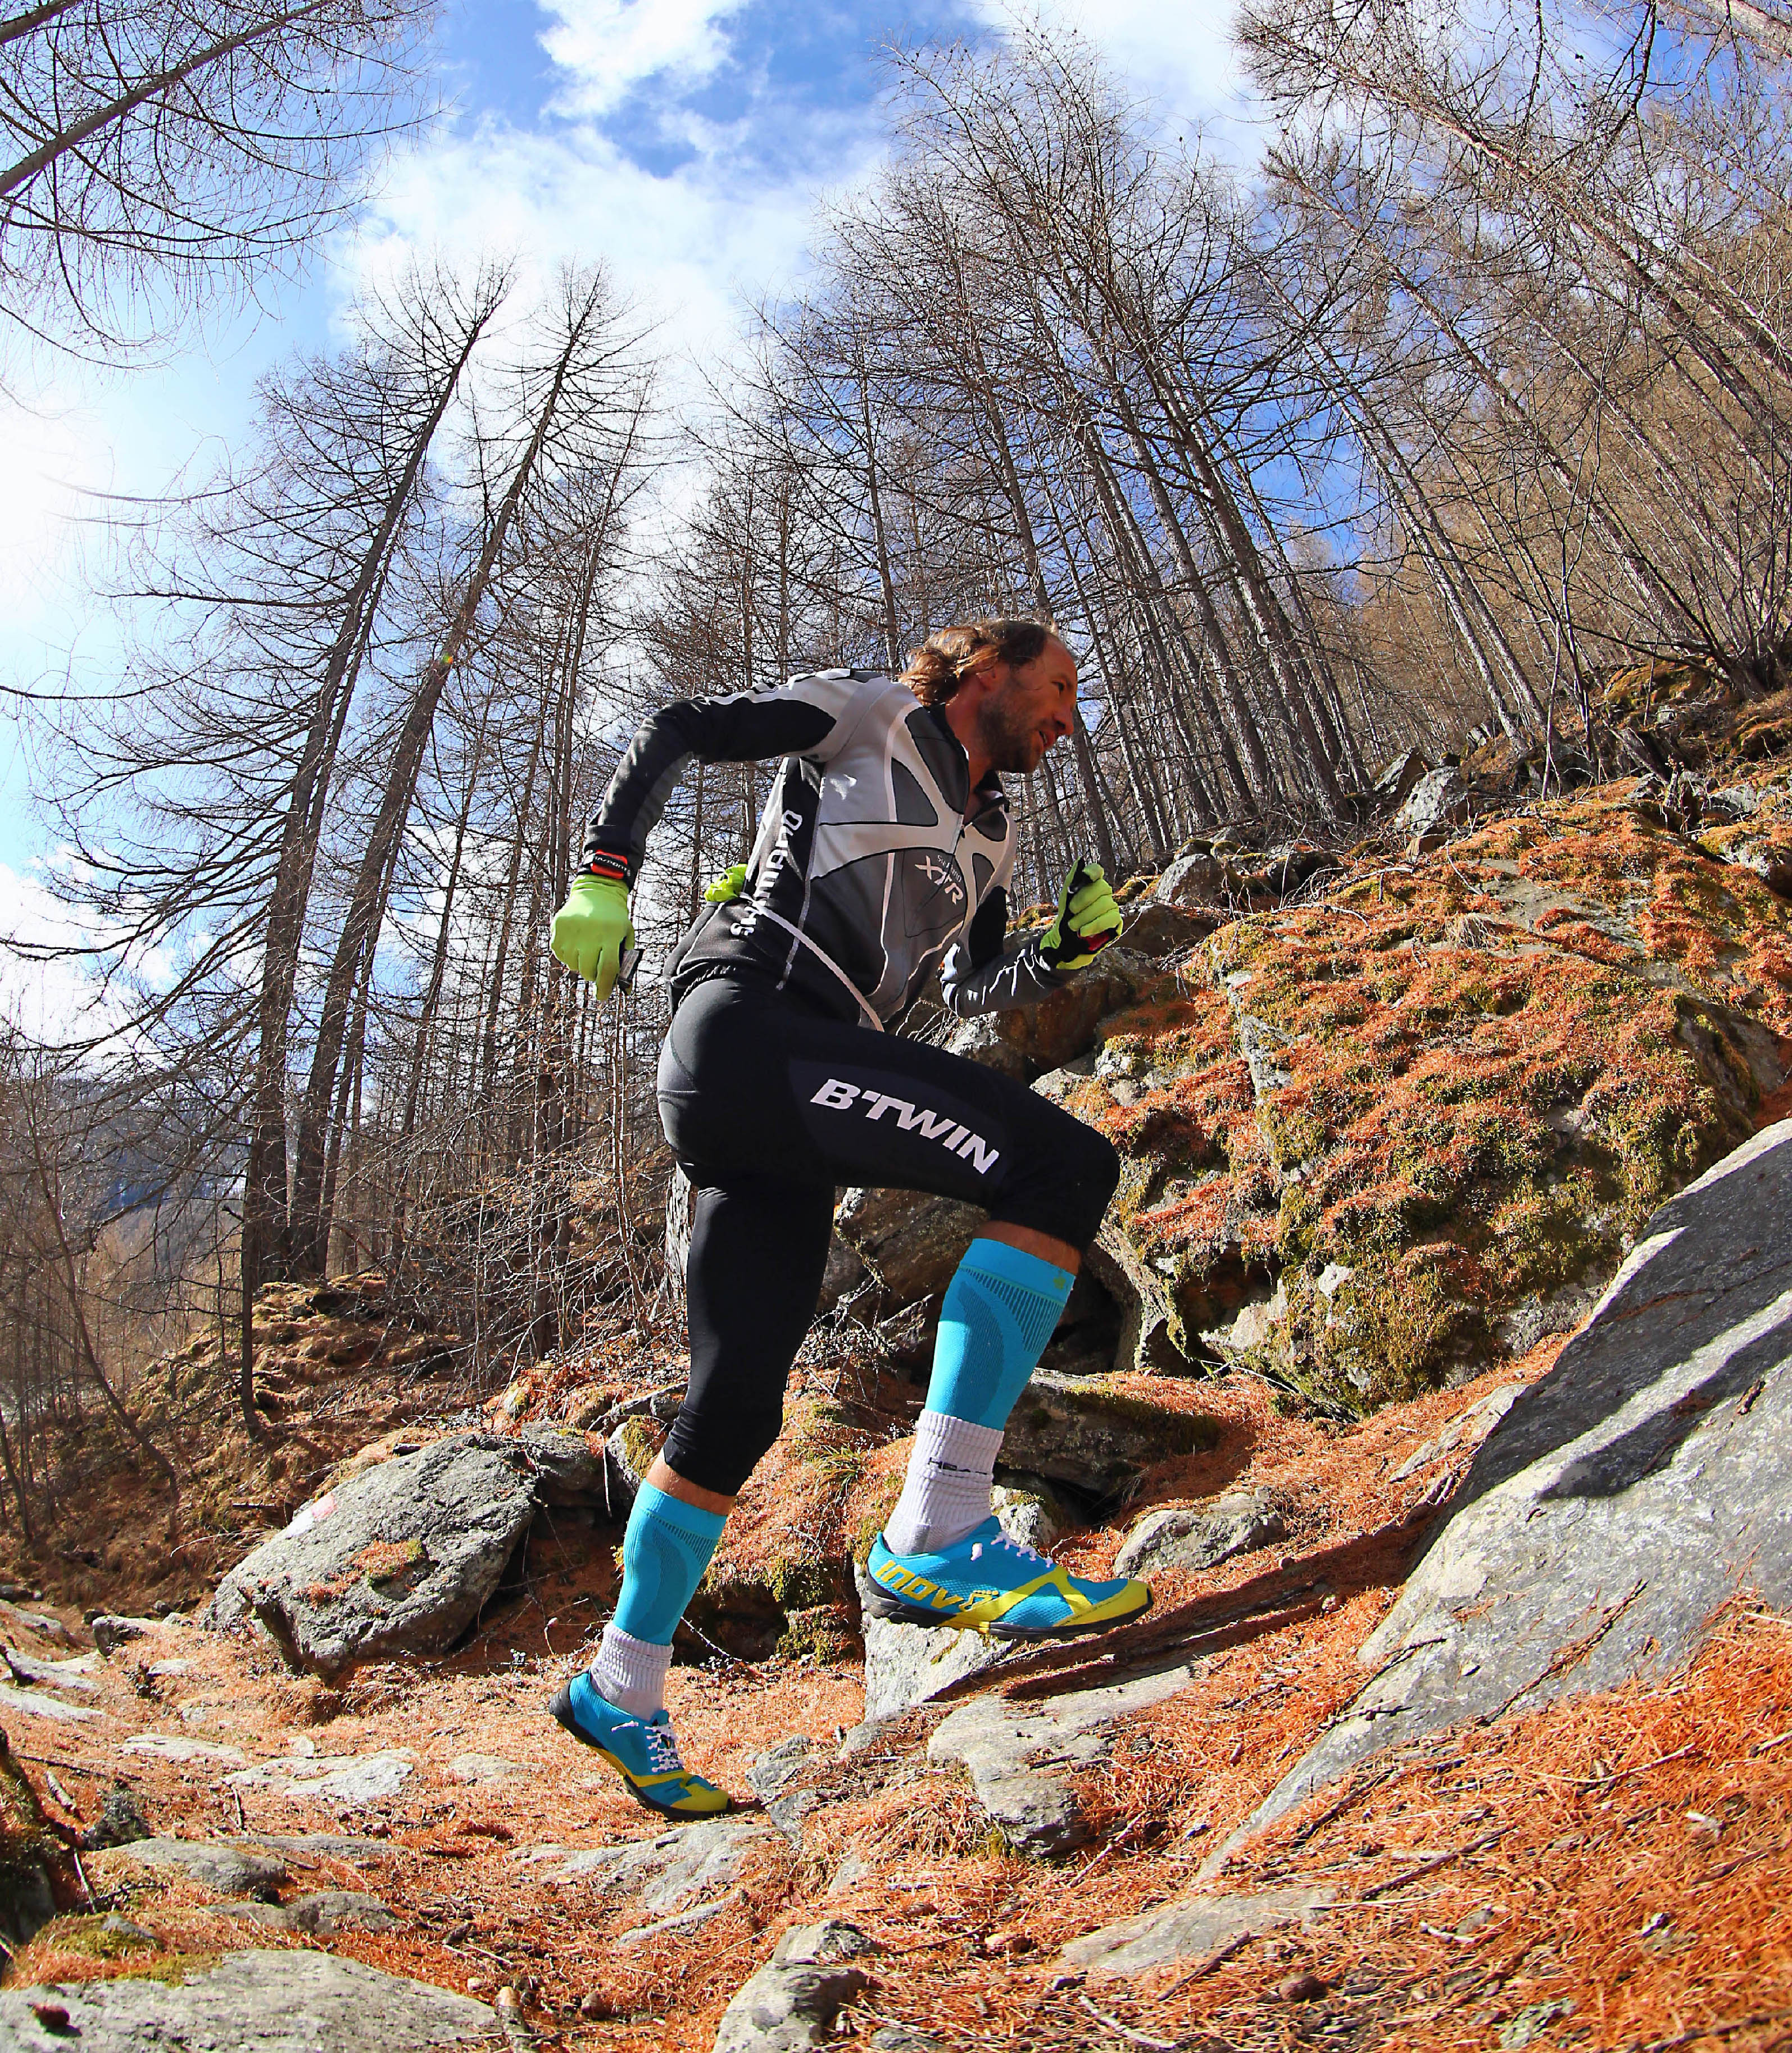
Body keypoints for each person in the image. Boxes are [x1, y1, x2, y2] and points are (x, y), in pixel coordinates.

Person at [543, 617, 1150, 1819]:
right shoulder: (867, 716)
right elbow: (675, 731)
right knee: (1061, 1169)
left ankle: (620, 1685)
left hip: (782, 1107)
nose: (1070, 718)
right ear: (988, 673)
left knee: (734, 1412)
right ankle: (938, 1528)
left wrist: (1058, 951)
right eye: (1059, 689)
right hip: (750, 1027)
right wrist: (604, 875)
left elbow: (966, 986)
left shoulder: (991, 833)